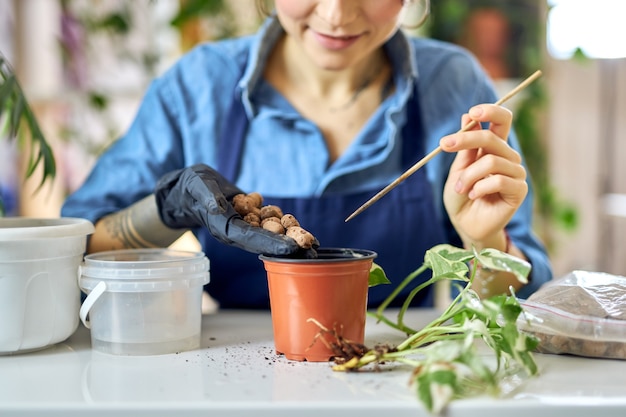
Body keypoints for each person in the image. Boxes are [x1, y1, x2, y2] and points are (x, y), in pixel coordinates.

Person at [61, 0, 552, 309]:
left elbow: (525, 304)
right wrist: (166, 209)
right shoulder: (197, 89)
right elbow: (71, 260)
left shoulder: (455, 86)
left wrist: (484, 241)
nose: (337, 14)